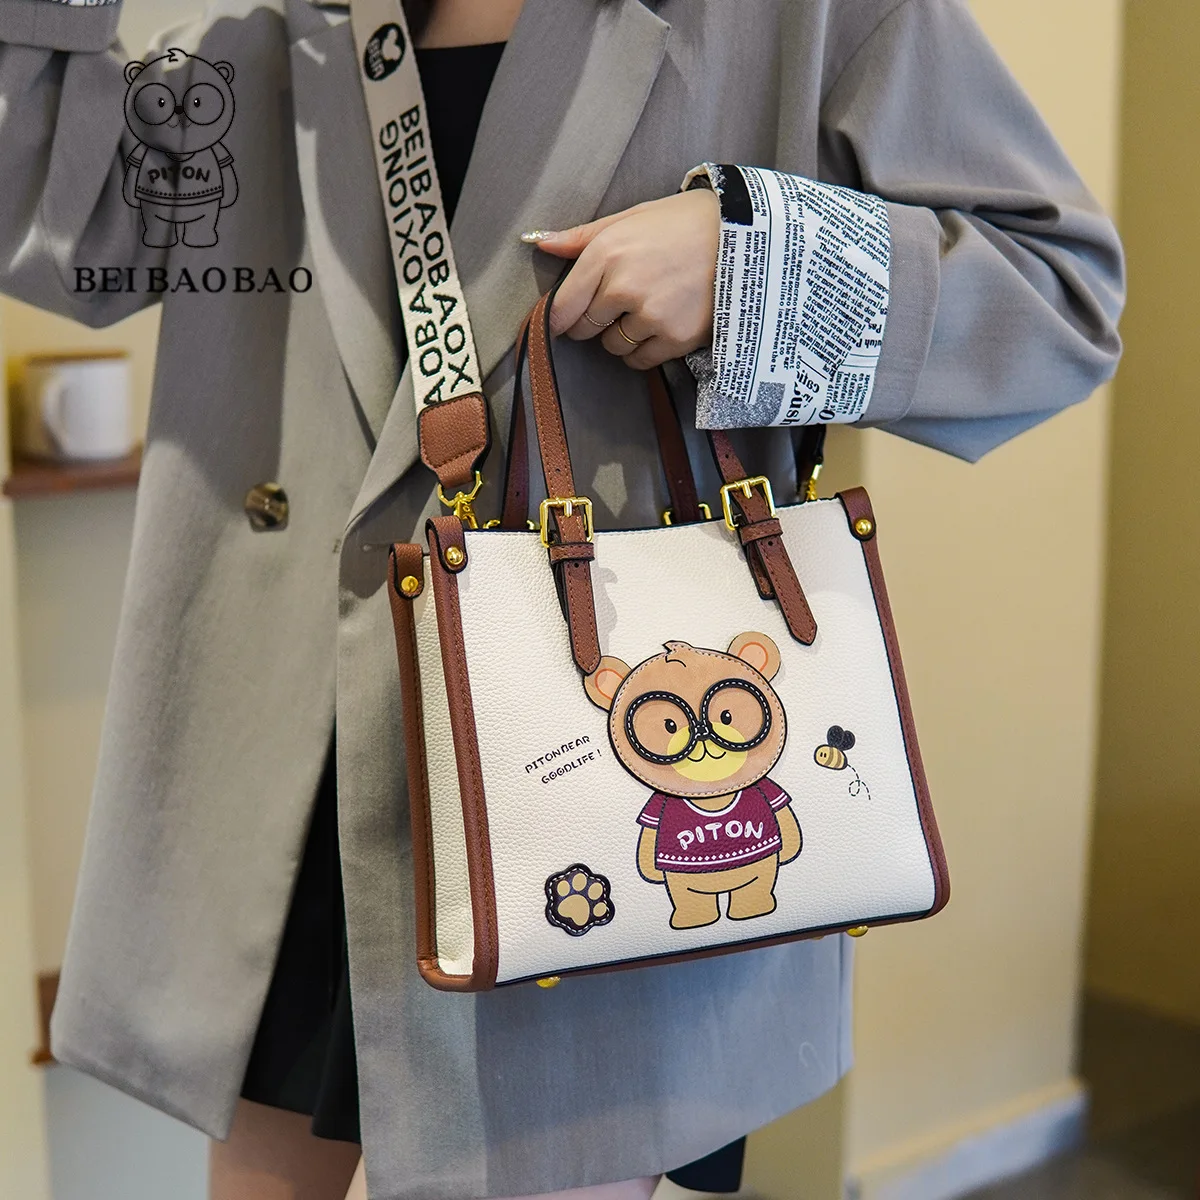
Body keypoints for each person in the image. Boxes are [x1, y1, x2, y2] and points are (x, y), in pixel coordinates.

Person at [0, 0, 1123, 1197]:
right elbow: (60, 213)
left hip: (584, 792)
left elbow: (1057, 299)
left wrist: (752, 266)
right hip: (279, 795)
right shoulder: (291, 21)